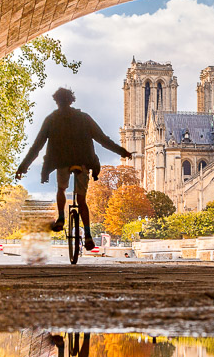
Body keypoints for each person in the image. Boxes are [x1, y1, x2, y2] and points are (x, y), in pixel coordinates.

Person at [15, 87, 132, 250]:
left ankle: (61, 218)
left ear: (57, 101)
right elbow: (103, 139)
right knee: (82, 200)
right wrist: (122, 151)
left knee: (61, 189)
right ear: (72, 101)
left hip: (62, 161)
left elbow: (37, 146)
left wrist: (23, 167)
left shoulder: (51, 119)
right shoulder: (84, 118)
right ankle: (89, 236)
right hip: (83, 161)